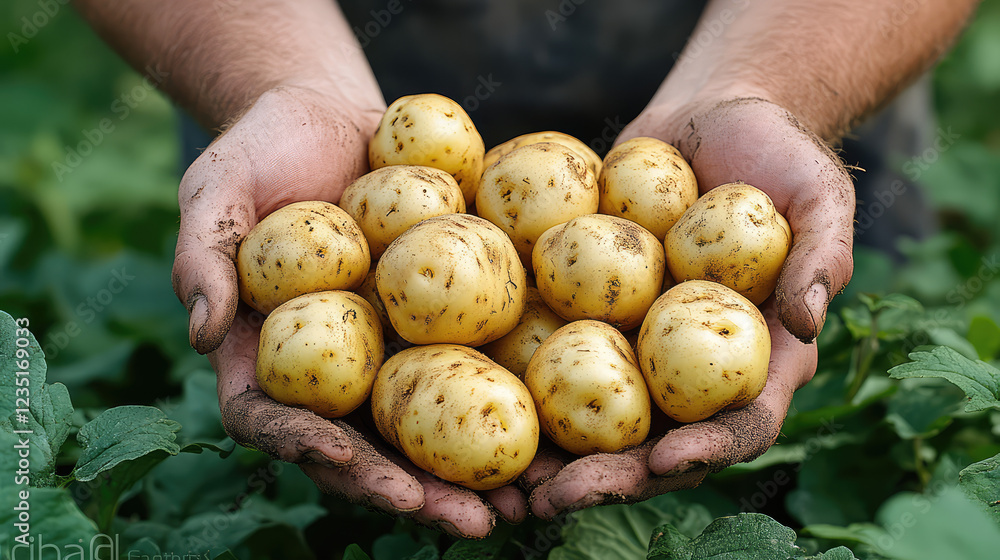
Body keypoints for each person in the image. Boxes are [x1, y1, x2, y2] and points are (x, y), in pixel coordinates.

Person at [74, 0, 978, 539]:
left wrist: (767, 92)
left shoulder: (677, 248)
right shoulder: (374, 230)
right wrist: (276, 84)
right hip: (294, 73)